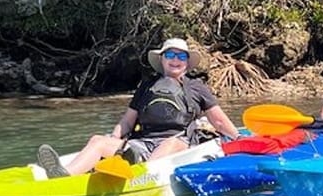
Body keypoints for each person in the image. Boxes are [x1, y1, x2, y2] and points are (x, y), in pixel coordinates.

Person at [36, 37, 240, 178]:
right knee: (98, 141)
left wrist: (239, 139)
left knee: (168, 144)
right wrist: (114, 139)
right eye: (170, 55)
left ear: (187, 63)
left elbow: (218, 121)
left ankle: (138, 177)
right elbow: (127, 121)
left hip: (179, 142)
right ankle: (65, 175)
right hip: (143, 142)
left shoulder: (196, 87)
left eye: (181, 56)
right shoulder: (147, 85)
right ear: (162, 59)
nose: (176, 60)